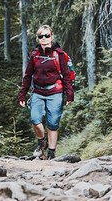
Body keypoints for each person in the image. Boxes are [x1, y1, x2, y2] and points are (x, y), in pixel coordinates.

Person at [18, 25, 74, 160]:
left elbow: (66, 75)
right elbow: (28, 75)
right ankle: (42, 141)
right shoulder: (34, 55)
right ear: (38, 39)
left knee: (53, 123)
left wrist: (69, 93)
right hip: (37, 91)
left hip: (55, 92)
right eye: (41, 36)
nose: (44, 38)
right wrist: (23, 93)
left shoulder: (58, 54)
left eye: (47, 35)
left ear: (52, 37)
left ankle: (51, 153)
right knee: (35, 120)